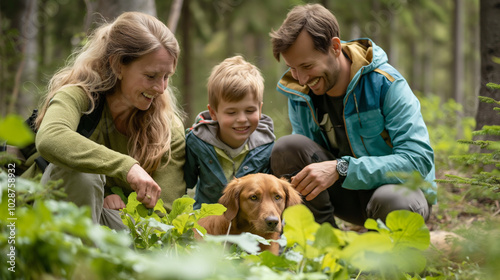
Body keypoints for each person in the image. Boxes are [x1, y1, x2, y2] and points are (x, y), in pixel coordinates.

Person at [269, 4, 436, 227]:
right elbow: (303, 162)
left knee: (391, 199)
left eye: (307, 66)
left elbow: (418, 161)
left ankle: (382, 254)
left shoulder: (386, 84)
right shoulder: (300, 93)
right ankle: (324, 246)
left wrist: (341, 168)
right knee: (287, 149)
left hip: (399, 197)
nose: (300, 79)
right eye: (293, 68)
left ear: (335, 47)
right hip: (347, 198)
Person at [35, 12, 186, 230]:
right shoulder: (77, 97)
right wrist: (127, 168)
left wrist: (114, 207)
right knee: (83, 176)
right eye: (151, 76)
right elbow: (50, 137)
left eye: (166, 77)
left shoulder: (168, 127)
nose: (161, 88)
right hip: (54, 218)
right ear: (117, 65)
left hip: (123, 227)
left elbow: (165, 213)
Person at [184, 55, 275, 210]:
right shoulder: (197, 142)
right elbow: (183, 182)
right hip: (207, 221)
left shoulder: (267, 146)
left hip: (248, 224)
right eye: (231, 112)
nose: (241, 119)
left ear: (260, 109)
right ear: (213, 113)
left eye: (249, 110)